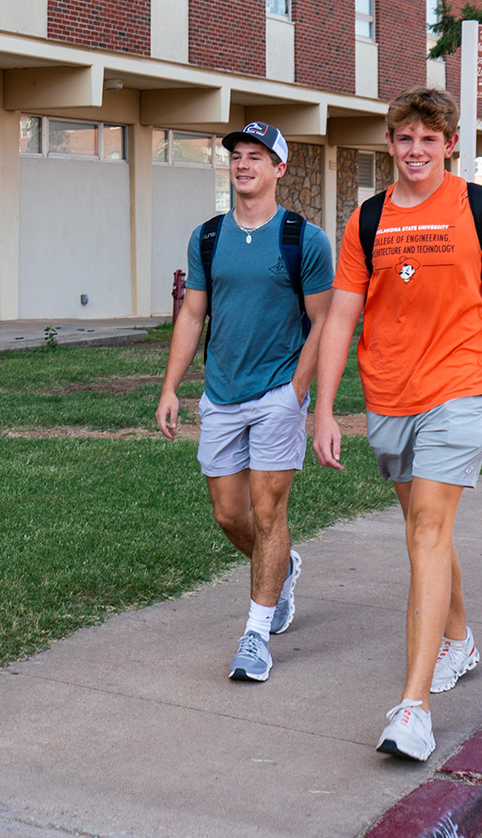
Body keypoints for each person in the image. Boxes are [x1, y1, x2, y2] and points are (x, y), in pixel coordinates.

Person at [310, 87, 482, 762]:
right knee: (424, 530)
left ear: (449, 145)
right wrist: (326, 409)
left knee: (428, 531)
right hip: (388, 398)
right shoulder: (366, 220)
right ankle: (460, 637)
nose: (416, 151)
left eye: (428, 140)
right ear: (390, 145)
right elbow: (340, 318)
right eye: (404, 139)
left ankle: (413, 707)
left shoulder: (481, 210)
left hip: (459, 391)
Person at [156, 121, 333, 683]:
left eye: (256, 156)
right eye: (236, 155)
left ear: (279, 169)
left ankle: (255, 635)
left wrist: (297, 394)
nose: (242, 164)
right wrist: (170, 387)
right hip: (221, 396)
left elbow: (325, 323)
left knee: (267, 511)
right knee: (229, 515)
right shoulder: (209, 237)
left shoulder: (304, 239)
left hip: (277, 392)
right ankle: (281, 566)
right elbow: (191, 315)